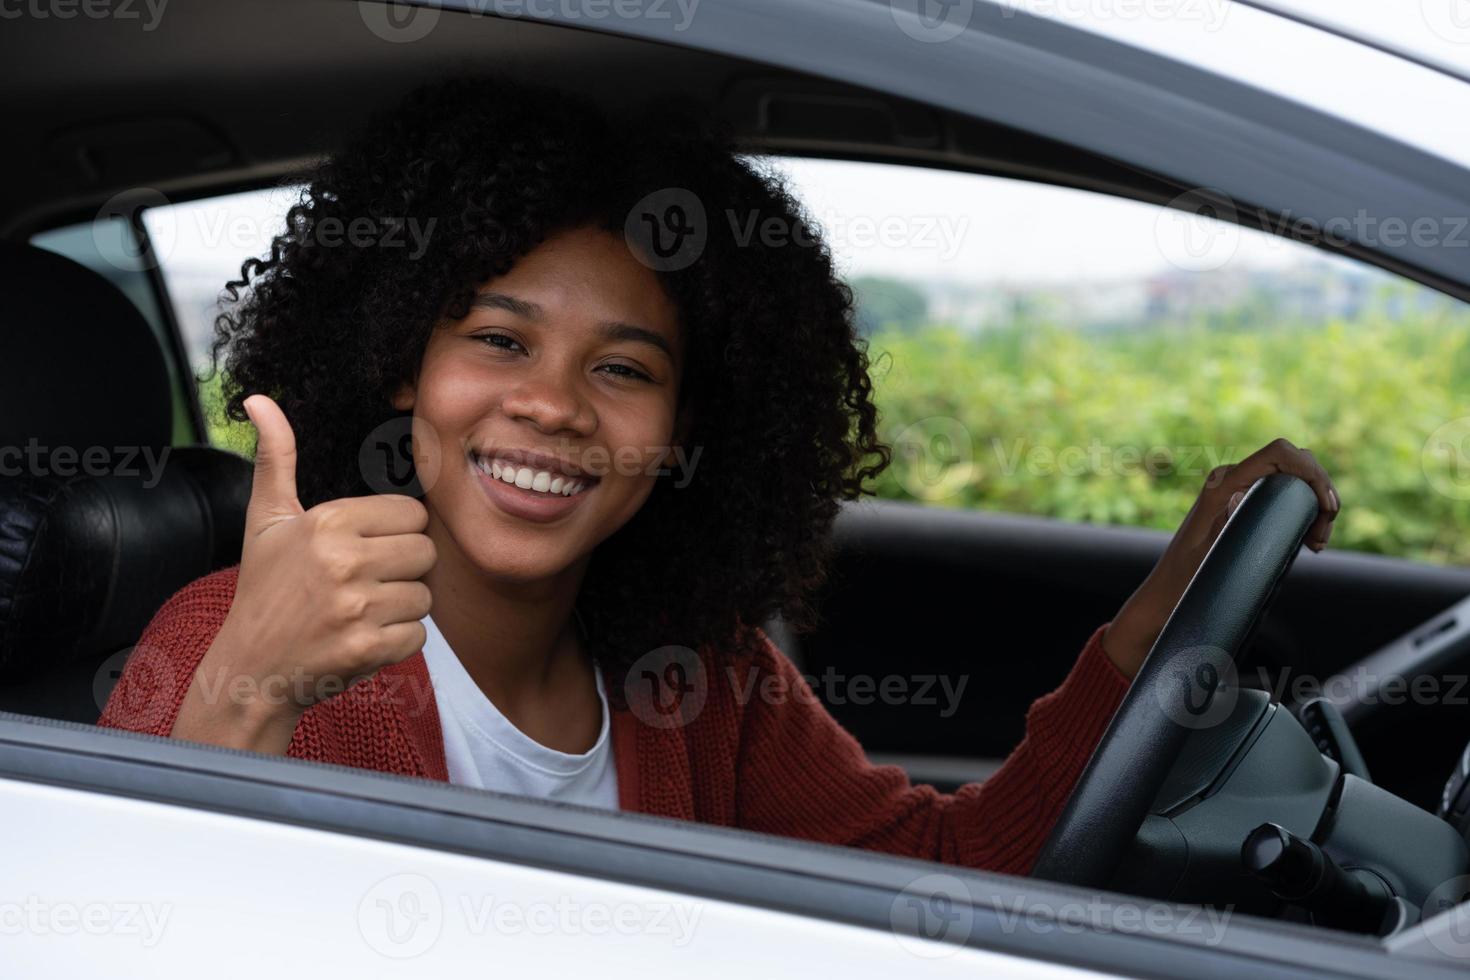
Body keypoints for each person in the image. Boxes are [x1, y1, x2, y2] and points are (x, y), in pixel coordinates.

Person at [98, 75, 1340, 875]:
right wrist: (249, 686)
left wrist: (1159, 609)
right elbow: (122, 925)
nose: (553, 404)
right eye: (498, 339)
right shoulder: (241, 631)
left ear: (692, 425)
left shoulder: (696, 670)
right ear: (395, 370)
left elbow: (955, 871)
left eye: (625, 368)